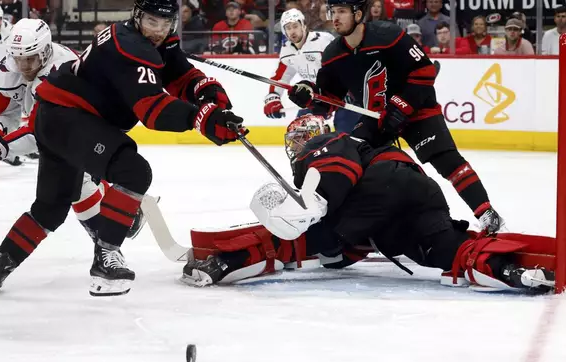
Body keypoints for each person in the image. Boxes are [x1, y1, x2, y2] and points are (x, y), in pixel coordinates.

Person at [0, 0, 242, 297]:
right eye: (151, 22)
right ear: (136, 17)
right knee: (133, 172)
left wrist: (205, 92)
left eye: (165, 23)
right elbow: (152, 110)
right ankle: (106, 259)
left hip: (55, 119)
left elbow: (178, 73)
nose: (158, 31)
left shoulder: (142, 38)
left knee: (50, 209)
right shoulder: (127, 46)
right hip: (68, 120)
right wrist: (202, 119)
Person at [180, 115, 556, 293]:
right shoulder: (355, 147)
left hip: (380, 188)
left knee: (297, 237)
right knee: (447, 249)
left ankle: (224, 262)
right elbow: (346, 249)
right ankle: (510, 270)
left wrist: (314, 208)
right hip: (414, 200)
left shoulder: (326, 145)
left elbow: (337, 173)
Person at [0, 18, 149, 294]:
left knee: (83, 188)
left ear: (46, 52)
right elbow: (4, 114)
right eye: (18, 59)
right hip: (58, 137)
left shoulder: (61, 72)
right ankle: (3, 262)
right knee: (52, 205)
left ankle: (109, 243)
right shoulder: (11, 64)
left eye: (30, 59)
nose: (23, 67)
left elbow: (38, 132)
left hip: (88, 129)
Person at [286, 0, 503, 234]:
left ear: (358, 14)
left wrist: (400, 106)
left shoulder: (387, 35)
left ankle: (487, 213)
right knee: (353, 162)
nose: (335, 18)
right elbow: (328, 100)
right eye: (332, 12)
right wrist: (307, 95)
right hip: (377, 118)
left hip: (418, 110)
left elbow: (424, 70)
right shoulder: (333, 54)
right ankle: (350, 228)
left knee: (445, 160)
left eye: (341, 12)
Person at [265, 8, 359, 133]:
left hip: (342, 95)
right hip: (316, 95)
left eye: (295, 26)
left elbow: (345, 63)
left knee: (346, 132)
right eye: (288, 28)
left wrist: (349, 89)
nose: (292, 31)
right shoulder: (287, 50)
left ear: (303, 25)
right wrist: (273, 97)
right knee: (300, 131)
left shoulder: (322, 41)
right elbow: (280, 77)